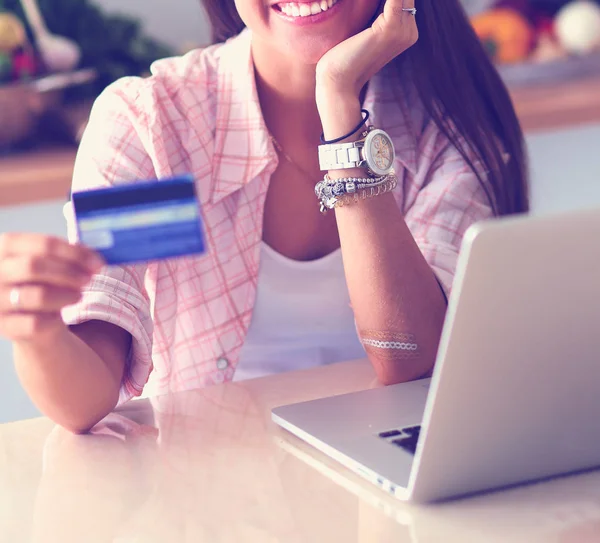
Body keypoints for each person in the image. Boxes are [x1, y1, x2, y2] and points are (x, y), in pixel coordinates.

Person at [0, 0, 528, 432]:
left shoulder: (443, 123)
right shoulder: (161, 127)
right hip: (208, 493)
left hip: (391, 487)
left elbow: (409, 358)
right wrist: (37, 329)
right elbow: (85, 399)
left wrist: (339, 107)